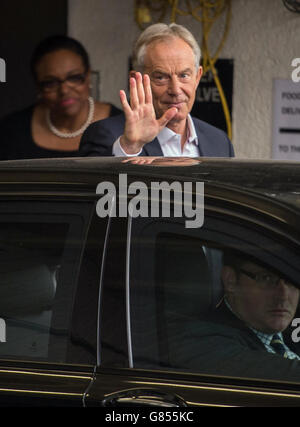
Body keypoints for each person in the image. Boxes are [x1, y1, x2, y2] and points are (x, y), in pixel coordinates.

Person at [79, 23, 234, 158]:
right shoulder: (106, 135)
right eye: (161, 77)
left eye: (184, 75)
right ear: (135, 80)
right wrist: (129, 147)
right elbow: (97, 189)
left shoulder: (219, 142)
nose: (175, 89)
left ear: (198, 77)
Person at [172, 250, 300, 382]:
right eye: (266, 278)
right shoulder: (204, 338)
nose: (283, 296)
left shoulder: (293, 329)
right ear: (230, 280)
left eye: (291, 280)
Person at [0, 35, 121, 160]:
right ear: (38, 87)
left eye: (74, 78)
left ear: (88, 75)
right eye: (50, 83)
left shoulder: (121, 127)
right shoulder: (11, 132)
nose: (64, 90)